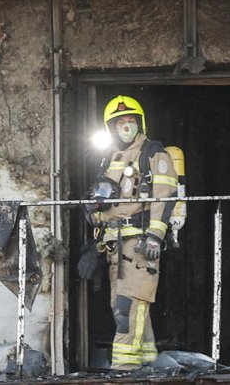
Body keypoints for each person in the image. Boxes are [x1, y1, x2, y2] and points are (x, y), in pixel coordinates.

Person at [88, 95, 179, 370]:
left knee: (128, 307)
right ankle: (150, 363)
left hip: (139, 245)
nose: (125, 126)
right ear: (110, 127)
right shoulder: (109, 158)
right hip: (114, 246)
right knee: (128, 305)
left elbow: (165, 196)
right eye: (119, 122)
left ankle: (124, 370)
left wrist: (154, 236)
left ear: (140, 123)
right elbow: (100, 202)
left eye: (130, 120)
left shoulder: (153, 152)